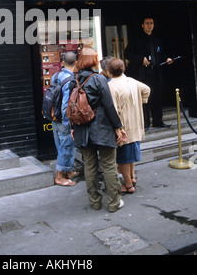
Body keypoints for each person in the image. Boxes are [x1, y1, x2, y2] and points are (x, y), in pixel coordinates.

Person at [69, 47, 127, 213]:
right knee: (109, 165)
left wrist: (73, 127)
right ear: (94, 61)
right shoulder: (99, 79)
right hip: (101, 128)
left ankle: (95, 202)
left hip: (82, 128)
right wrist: (118, 128)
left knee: (90, 166)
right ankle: (114, 202)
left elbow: (72, 106)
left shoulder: (75, 80)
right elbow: (109, 106)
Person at [107, 58, 150, 194]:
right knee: (131, 153)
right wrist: (140, 102)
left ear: (109, 71)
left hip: (124, 126)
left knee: (123, 158)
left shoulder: (111, 85)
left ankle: (128, 185)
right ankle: (132, 177)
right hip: (136, 123)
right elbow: (146, 89)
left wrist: (117, 128)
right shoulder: (131, 81)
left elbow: (113, 109)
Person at [124, 17, 173, 129]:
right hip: (143, 73)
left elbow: (160, 54)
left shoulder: (157, 39)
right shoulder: (136, 39)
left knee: (157, 97)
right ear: (142, 25)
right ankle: (145, 123)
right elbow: (127, 54)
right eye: (147, 23)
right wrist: (141, 59)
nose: (149, 25)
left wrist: (167, 59)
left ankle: (158, 121)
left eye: (151, 23)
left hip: (156, 71)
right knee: (145, 99)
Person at [51, 51, 79, 187]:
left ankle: (68, 171)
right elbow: (65, 104)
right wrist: (67, 122)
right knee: (66, 146)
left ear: (63, 62)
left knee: (60, 146)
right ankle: (59, 177)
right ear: (76, 63)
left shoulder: (55, 76)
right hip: (63, 119)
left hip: (54, 117)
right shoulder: (70, 80)